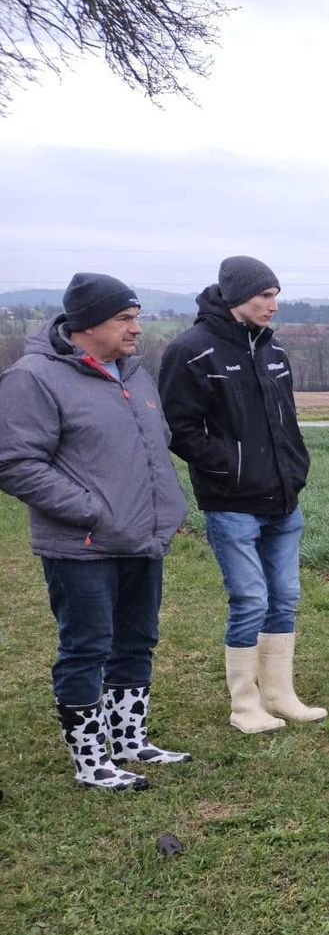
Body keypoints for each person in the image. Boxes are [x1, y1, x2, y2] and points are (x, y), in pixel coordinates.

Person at [0, 273, 190, 789]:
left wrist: (166, 509)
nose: (136, 330)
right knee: (87, 646)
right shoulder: (33, 378)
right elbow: (16, 464)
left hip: (142, 538)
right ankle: (91, 760)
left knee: (136, 641)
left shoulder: (134, 374)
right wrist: (91, 510)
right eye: (124, 319)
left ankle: (131, 740)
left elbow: (156, 444)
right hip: (81, 545)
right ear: (87, 325)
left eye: (137, 318)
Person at [160, 255, 325, 734]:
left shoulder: (274, 352)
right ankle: (245, 705)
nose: (273, 305)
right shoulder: (191, 352)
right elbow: (180, 429)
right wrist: (232, 467)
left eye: (276, 296)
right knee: (249, 598)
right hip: (231, 502)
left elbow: (286, 423)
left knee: (284, 596)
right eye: (264, 296)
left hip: (283, 499)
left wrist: (295, 467)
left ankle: (280, 694)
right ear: (235, 296)